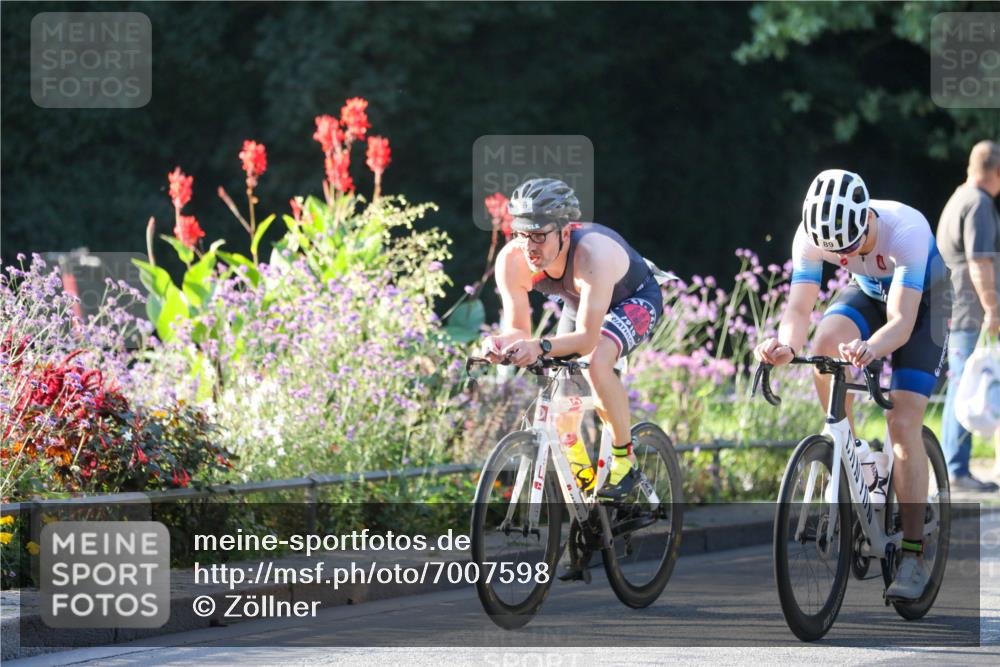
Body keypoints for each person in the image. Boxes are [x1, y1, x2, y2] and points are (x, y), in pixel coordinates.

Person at [754, 169, 950, 601]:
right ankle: (857, 456)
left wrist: (870, 348)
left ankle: (914, 555)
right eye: (835, 252)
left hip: (924, 307)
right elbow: (799, 307)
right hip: (870, 294)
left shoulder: (906, 230)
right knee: (824, 346)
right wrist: (785, 345)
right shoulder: (810, 236)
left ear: (866, 221)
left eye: (851, 247)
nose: (843, 254)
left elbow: (900, 323)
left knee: (901, 423)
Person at [483, 178, 667, 499]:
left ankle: (625, 460)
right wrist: (500, 343)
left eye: (539, 235)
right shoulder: (512, 260)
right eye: (522, 234)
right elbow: (519, 329)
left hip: (633, 299)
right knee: (561, 401)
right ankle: (585, 482)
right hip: (580, 304)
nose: (529, 246)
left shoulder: (592, 255)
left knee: (597, 364)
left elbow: (585, 339)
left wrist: (539, 346)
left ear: (565, 232)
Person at [936, 140, 1000, 493]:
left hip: (953, 306)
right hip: (968, 310)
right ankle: (957, 471)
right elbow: (980, 261)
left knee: (960, 386)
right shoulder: (978, 203)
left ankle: (954, 467)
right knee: (967, 387)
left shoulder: (958, 197)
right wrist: (992, 306)